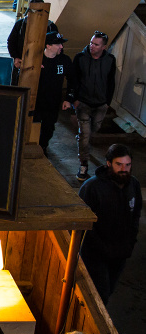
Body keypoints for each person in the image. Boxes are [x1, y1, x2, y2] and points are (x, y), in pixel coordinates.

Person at [78, 144, 141, 304]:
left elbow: (135, 215)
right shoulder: (92, 188)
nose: (124, 169)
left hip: (120, 253)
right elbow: (83, 223)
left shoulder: (133, 185)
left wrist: (130, 243)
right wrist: (101, 247)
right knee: (99, 295)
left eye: (127, 165)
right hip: (95, 255)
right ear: (108, 163)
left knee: (109, 290)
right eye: (119, 164)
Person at [70, 31, 116, 182]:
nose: (92, 46)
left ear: (104, 47)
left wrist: (107, 102)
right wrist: (74, 99)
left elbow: (111, 81)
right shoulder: (80, 58)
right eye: (91, 43)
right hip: (83, 102)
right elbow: (74, 79)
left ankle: (82, 136)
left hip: (101, 104)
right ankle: (83, 165)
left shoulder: (110, 60)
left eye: (96, 44)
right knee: (85, 135)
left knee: (93, 129)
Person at [33, 32, 73, 156]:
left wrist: (68, 98)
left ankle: (43, 147)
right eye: (58, 44)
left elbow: (73, 80)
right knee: (33, 125)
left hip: (53, 102)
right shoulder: (37, 59)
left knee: (49, 127)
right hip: (36, 101)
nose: (61, 46)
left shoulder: (64, 60)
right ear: (48, 46)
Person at [6, 0, 58, 72]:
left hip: (45, 63)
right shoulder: (20, 24)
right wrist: (15, 57)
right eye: (33, 11)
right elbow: (11, 42)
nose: (36, 14)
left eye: (39, 11)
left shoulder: (50, 26)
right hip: (23, 61)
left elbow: (58, 45)